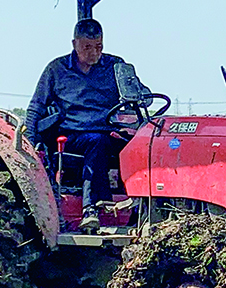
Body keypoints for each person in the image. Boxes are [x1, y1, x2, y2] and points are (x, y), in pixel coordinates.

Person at [25, 18, 147, 231]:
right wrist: (29, 143)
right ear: (74, 44)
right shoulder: (57, 69)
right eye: (87, 47)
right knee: (95, 141)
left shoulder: (115, 66)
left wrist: (140, 94)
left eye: (99, 47)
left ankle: (142, 205)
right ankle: (91, 209)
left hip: (110, 131)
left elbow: (140, 91)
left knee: (145, 144)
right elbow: (36, 107)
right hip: (73, 135)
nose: (94, 53)